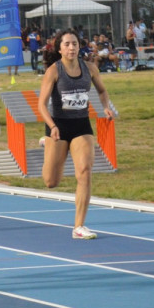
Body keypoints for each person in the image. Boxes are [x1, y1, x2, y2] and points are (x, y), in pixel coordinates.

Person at [37, 30, 117, 240]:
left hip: (81, 124)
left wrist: (105, 107)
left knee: (85, 171)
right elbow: (42, 104)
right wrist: (52, 126)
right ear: (60, 48)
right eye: (67, 44)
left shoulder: (89, 68)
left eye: (74, 44)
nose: (71, 48)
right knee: (51, 182)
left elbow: (101, 90)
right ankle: (48, 144)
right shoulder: (54, 71)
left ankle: (79, 226)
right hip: (58, 127)